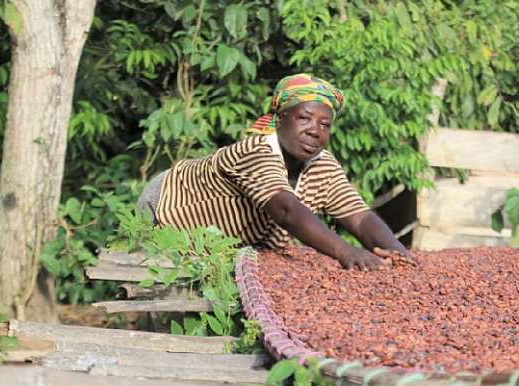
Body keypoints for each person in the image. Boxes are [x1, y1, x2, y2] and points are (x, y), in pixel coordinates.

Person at [137, 73, 407, 270]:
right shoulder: (257, 150)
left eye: (324, 124)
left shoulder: (322, 164)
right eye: (304, 118)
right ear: (280, 120)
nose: (315, 130)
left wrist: (395, 252)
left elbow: (359, 218)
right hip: (167, 206)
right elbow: (286, 210)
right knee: (168, 285)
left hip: (227, 237)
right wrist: (346, 251)